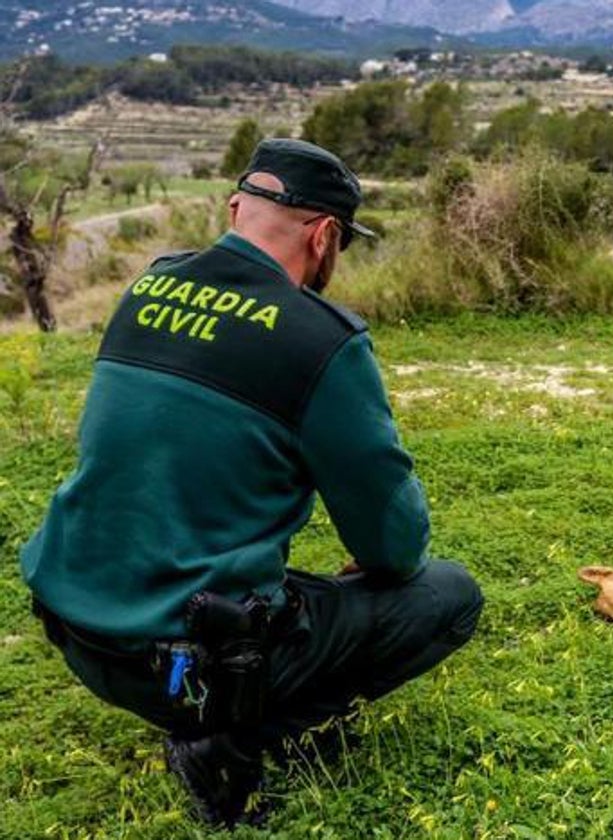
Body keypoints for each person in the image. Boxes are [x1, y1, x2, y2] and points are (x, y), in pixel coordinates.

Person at [21, 138, 484, 828]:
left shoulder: (147, 288)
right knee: (448, 594)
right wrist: (379, 563)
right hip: (188, 657)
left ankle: (204, 705)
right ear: (325, 236)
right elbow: (394, 540)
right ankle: (227, 740)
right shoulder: (320, 340)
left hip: (77, 628)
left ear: (236, 208)